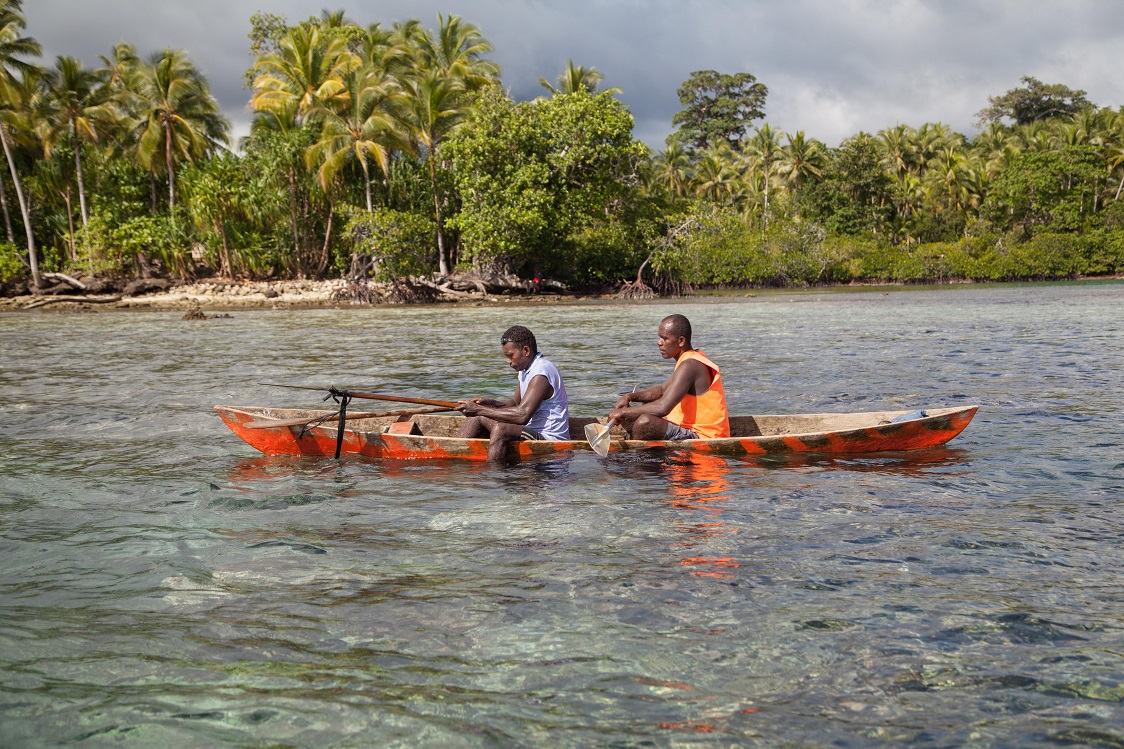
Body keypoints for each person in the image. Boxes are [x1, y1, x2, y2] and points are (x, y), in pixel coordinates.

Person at [607, 314, 730, 440]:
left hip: (704, 436)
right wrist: (629, 397)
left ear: (681, 341)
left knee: (645, 422)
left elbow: (663, 407)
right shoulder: (688, 360)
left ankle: (642, 457)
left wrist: (622, 412)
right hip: (692, 429)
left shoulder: (690, 365)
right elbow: (661, 390)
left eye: (665, 338)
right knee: (647, 405)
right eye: (659, 337)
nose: (659, 342)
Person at [457, 325, 571, 461]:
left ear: (526, 350)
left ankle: (494, 476)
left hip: (549, 438)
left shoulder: (541, 372)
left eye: (510, 356)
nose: (508, 361)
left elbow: (522, 415)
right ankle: (453, 450)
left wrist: (479, 409)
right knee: (478, 416)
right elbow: (515, 403)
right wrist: (490, 403)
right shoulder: (525, 370)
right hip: (529, 429)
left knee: (501, 428)